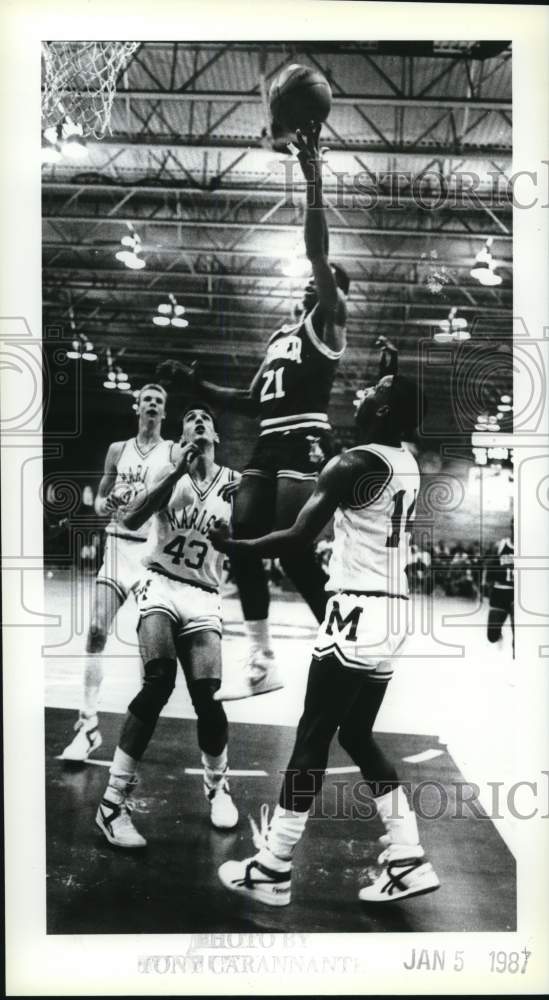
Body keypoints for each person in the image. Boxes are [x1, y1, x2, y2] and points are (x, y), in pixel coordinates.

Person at [208, 370, 440, 906]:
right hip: (396, 612)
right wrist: (392, 371)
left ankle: (273, 865)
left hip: (357, 609)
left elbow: (294, 540)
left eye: (374, 392)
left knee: (312, 736)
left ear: (383, 412)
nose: (361, 395)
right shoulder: (404, 459)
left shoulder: (351, 464)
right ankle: (407, 856)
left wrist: (238, 546)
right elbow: (399, 402)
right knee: (356, 735)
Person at [157, 123, 349, 700]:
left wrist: (312, 174)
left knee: (291, 548)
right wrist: (194, 383)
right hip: (267, 442)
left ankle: (342, 640)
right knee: (240, 541)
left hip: (305, 442)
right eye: (314, 285)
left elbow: (318, 251)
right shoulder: (278, 336)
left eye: (323, 284)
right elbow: (248, 399)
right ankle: (263, 659)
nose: (311, 287)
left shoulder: (330, 321)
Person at [95, 404, 240, 847]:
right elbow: (132, 519)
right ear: (182, 437)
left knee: (208, 697)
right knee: (157, 683)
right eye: (189, 420)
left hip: (203, 594)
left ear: (215, 432)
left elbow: (252, 539)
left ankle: (217, 786)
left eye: (204, 419)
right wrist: (174, 473)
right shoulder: (170, 471)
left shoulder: (234, 482)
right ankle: (112, 803)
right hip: (159, 585)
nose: (197, 422)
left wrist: (231, 539)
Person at [61, 384, 175, 762]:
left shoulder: (172, 451)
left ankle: (136, 737)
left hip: (149, 556)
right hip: (116, 546)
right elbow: (98, 507)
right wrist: (108, 501)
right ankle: (87, 724)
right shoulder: (117, 450)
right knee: (95, 629)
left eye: (159, 401)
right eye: (148, 400)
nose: (153, 406)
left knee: (153, 656)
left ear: (164, 411)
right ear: (137, 407)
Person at [485, 531, 514, 650]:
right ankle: (498, 635)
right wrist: (488, 584)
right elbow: (490, 565)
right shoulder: (501, 545)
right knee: (492, 636)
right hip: (499, 592)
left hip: (517, 593)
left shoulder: (530, 546)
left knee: (518, 636)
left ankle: (517, 660)